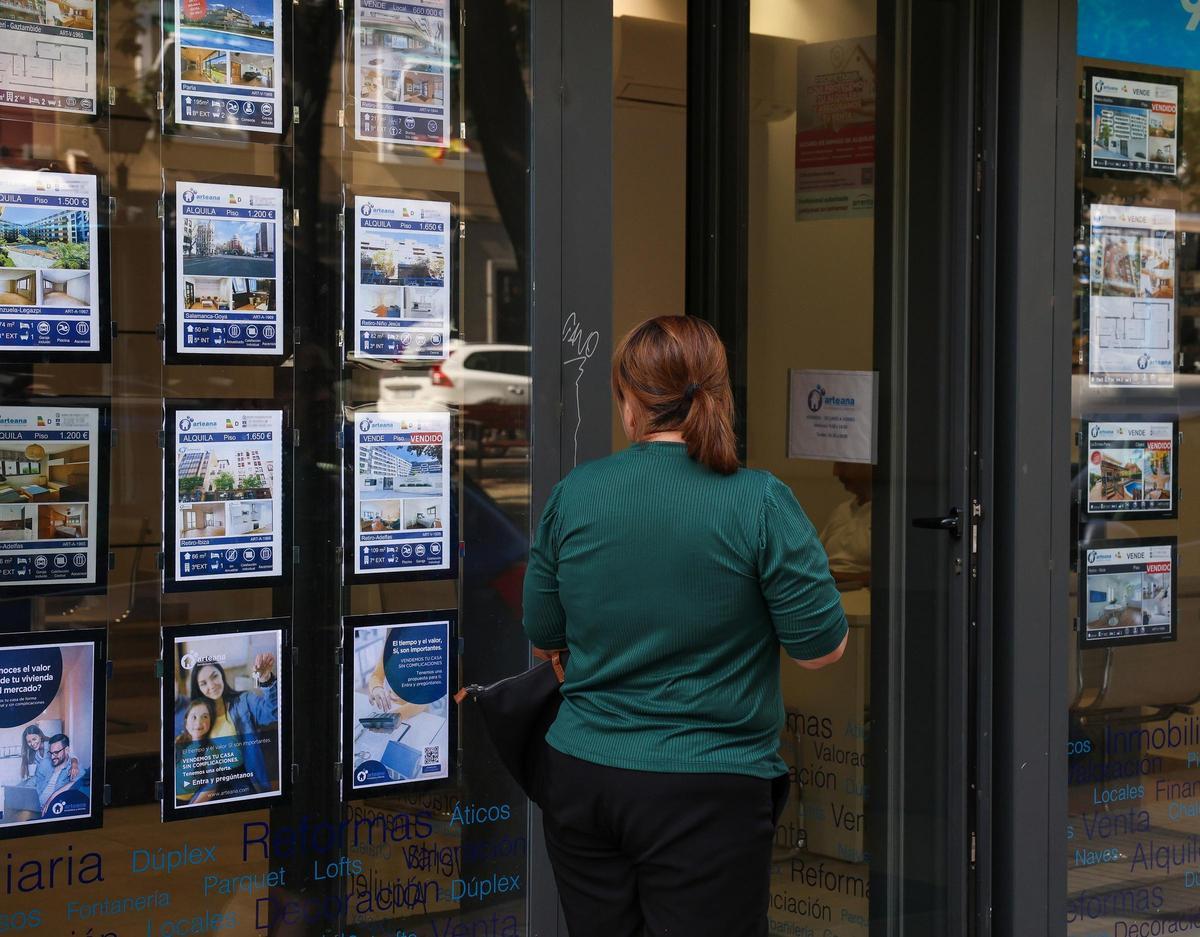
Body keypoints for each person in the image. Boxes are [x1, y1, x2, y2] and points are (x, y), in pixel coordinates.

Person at [523, 315, 848, 937]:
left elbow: (543, 637)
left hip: (584, 776)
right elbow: (819, 651)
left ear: (630, 403)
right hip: (711, 785)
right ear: (720, 396)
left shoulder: (577, 494)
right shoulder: (760, 500)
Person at [188, 653, 278, 796]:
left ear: (221, 675)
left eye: (214, 676)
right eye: (203, 683)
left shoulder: (244, 701)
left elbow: (274, 712)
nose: (212, 685)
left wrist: (266, 679)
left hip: (245, 781)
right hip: (210, 785)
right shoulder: (197, 715)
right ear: (198, 688)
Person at [819, 460, 872, 587]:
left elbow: (894, 576)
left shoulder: (892, 517)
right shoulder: (841, 510)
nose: (835, 472)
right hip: (825, 586)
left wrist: (838, 577)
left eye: (843, 464)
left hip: (858, 594)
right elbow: (815, 556)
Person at [175, 698, 220, 805]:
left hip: (183, 800)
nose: (199, 722)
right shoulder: (179, 740)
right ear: (186, 722)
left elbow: (211, 786)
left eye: (205, 716)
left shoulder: (209, 750)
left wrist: (192, 806)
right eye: (193, 717)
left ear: (211, 722)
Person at [36, 734, 81, 813]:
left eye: (56, 752)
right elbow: (34, 781)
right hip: (35, 807)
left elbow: (79, 783)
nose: (52, 757)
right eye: (51, 753)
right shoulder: (45, 763)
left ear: (66, 750)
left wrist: (52, 798)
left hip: (51, 811)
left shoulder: (74, 769)